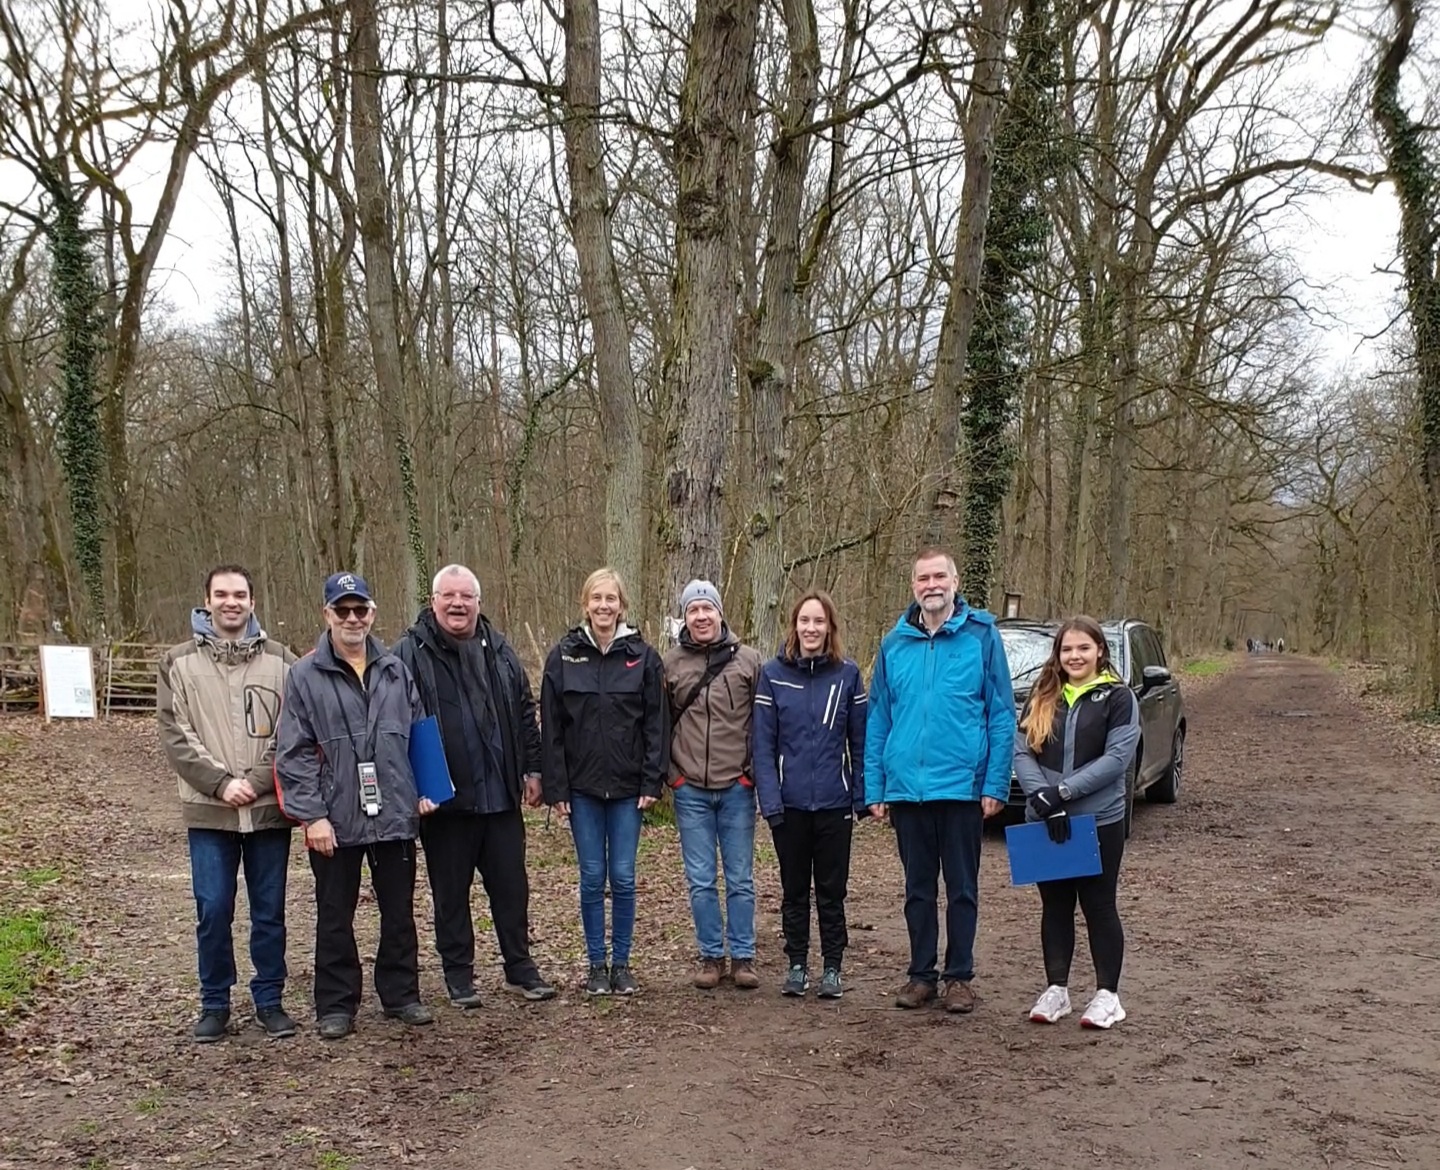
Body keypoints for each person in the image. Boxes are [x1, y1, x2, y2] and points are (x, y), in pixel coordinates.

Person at [274, 572, 438, 1039]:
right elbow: (293, 753)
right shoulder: (304, 675)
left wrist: (426, 789)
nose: (352, 619)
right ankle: (335, 1003)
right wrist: (313, 816)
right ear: (327, 614)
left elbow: (419, 732)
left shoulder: (395, 670)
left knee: (399, 911)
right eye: (342, 610)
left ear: (372, 613)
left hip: (395, 812)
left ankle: (401, 994)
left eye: (360, 609)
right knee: (334, 913)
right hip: (335, 815)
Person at [392, 564, 556, 1005]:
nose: (458, 604)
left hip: (500, 796)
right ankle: (458, 974)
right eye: (449, 596)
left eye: (466, 596)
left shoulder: (500, 650)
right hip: (444, 803)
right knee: (450, 895)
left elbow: (524, 713)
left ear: (478, 603)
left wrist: (533, 770)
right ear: (433, 601)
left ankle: (520, 967)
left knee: (511, 890)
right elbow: (395, 725)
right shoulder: (407, 654)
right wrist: (413, 788)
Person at [865, 549, 1015, 1013]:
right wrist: (875, 786)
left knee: (962, 888)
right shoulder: (894, 644)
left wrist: (995, 783)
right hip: (907, 789)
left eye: (939, 577)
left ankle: (959, 977)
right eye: (923, 578)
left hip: (961, 787)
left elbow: (1001, 714)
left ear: (954, 582)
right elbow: (879, 718)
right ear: (913, 586)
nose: (931, 585)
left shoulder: (981, 636)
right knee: (918, 890)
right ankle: (921, 975)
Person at [158, 564, 297, 1043]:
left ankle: (270, 1000)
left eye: (239, 594)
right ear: (207, 601)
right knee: (213, 907)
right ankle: (214, 1003)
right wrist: (220, 784)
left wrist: (255, 782)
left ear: (252, 602)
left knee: (269, 910)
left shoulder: (283, 662)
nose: (231, 602)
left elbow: (291, 732)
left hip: (266, 810)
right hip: (209, 811)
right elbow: (176, 734)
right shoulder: (177, 663)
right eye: (221, 594)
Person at [540, 568, 668, 996]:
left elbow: (656, 724)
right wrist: (557, 788)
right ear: (585, 604)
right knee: (593, 877)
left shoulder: (643, 657)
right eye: (596, 598)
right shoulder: (563, 656)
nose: (603, 606)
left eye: (611, 598)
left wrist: (652, 780)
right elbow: (552, 729)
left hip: (630, 790)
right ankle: (596, 965)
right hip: (583, 790)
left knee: (624, 877)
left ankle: (622, 964)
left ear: (621, 605)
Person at [1013, 615, 1140, 1030]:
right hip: (1045, 819)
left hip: (1097, 819)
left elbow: (1116, 759)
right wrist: (1043, 798)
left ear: (1100, 651)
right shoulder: (1043, 694)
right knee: (1055, 905)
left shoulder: (1118, 698)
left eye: (1083, 648)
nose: (1075, 656)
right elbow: (1021, 751)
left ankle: (1108, 996)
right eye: (1067, 649)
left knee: (1099, 905)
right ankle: (1057, 989)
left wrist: (1064, 793)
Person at [753, 590, 867, 1000]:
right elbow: (762, 746)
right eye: (805, 621)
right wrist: (771, 802)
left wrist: (860, 798)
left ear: (830, 627)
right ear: (794, 625)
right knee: (794, 891)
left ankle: (832, 967)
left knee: (832, 893)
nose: (811, 628)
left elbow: (861, 743)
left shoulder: (848, 675)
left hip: (835, 806)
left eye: (819, 621)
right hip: (790, 806)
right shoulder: (773, 674)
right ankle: (797, 964)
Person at [664, 579, 765, 990]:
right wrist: (673, 775)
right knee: (701, 880)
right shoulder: (670, 665)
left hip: (737, 786)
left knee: (740, 878)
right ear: (684, 617)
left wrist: (751, 773)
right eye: (693, 610)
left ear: (720, 613)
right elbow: (658, 725)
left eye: (708, 609)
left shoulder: (749, 662)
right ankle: (710, 956)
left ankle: (743, 957)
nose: (701, 616)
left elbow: (764, 724)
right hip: (690, 789)